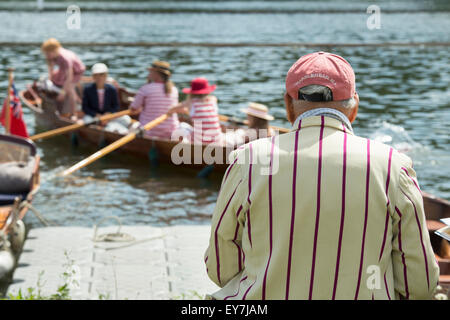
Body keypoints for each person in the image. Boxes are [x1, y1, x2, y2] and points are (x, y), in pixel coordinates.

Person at [204, 51, 439, 300]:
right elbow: (420, 283)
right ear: (354, 107)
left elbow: (220, 268)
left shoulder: (247, 161)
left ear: (288, 105)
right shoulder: (393, 165)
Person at [129, 61, 180, 139]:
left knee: (130, 125)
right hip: (171, 132)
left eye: (150, 71)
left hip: (149, 131)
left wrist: (139, 108)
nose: (148, 74)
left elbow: (133, 109)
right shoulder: (174, 90)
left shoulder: (145, 88)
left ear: (156, 73)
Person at [169, 77, 223, 145]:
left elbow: (172, 109)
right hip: (217, 142)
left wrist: (170, 111)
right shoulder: (213, 99)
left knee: (181, 125)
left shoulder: (190, 102)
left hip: (199, 142)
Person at [41, 38, 85, 118]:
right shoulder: (52, 55)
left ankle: (73, 113)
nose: (47, 56)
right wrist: (51, 81)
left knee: (70, 89)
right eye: (45, 54)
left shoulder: (65, 58)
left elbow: (69, 77)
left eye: (48, 54)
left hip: (76, 71)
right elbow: (50, 69)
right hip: (64, 69)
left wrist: (63, 93)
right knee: (52, 80)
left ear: (54, 51)